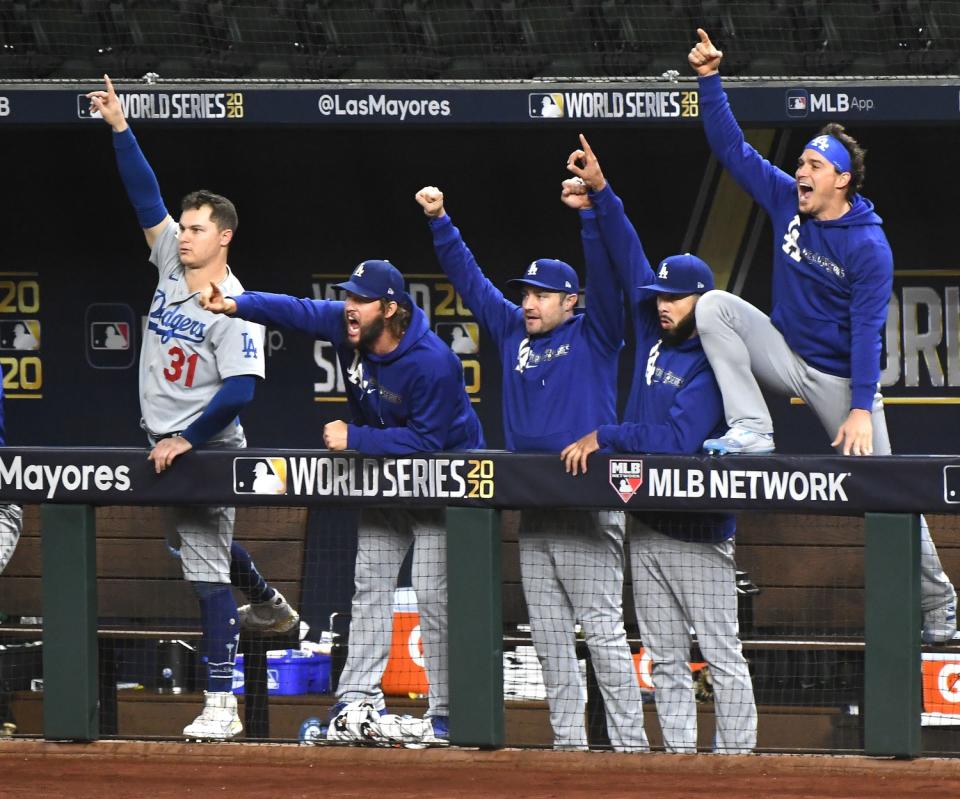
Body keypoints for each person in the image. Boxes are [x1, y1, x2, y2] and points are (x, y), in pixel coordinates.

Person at [687, 30, 957, 643]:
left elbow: (868, 333)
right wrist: (709, 80)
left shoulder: (868, 245)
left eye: (812, 165)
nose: (799, 172)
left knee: (887, 495)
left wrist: (861, 408)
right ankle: (752, 428)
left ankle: (940, 603)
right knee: (715, 309)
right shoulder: (787, 199)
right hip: (785, 352)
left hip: (839, 379)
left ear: (841, 180)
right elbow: (733, 150)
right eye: (801, 162)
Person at [86, 75, 299, 741]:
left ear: (225, 237)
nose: (184, 235)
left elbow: (239, 391)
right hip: (166, 440)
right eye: (185, 226)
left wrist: (185, 438)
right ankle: (266, 596)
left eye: (198, 228)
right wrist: (121, 128)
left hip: (205, 446)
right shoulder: (172, 266)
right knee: (191, 543)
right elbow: (144, 196)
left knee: (205, 573)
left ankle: (219, 702)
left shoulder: (235, 302)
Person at [201, 258, 485, 744]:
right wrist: (235, 304)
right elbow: (293, 310)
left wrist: (355, 435)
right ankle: (357, 702)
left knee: (435, 599)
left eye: (359, 300)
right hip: (384, 480)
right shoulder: (346, 324)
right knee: (369, 585)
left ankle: (447, 716)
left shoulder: (434, 361)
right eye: (347, 298)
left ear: (390, 309)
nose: (348, 308)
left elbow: (428, 443)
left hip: (443, 485)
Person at [415, 179, 648, 752]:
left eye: (543, 294)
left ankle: (632, 752)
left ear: (570, 300)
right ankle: (568, 747)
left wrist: (591, 217)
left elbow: (609, 279)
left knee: (601, 633)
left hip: (588, 504)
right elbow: (470, 280)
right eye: (527, 292)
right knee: (547, 636)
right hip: (537, 508)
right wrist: (441, 220)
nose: (529, 301)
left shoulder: (596, 334)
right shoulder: (513, 328)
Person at [560, 135, 757, 754]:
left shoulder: (712, 354)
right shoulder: (653, 323)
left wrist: (608, 434)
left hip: (698, 531)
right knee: (664, 658)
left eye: (677, 297)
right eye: (662, 297)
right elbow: (628, 255)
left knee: (720, 657)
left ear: (705, 300)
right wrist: (601, 189)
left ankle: (737, 766)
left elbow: (676, 439)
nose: (664, 305)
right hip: (646, 524)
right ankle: (677, 766)